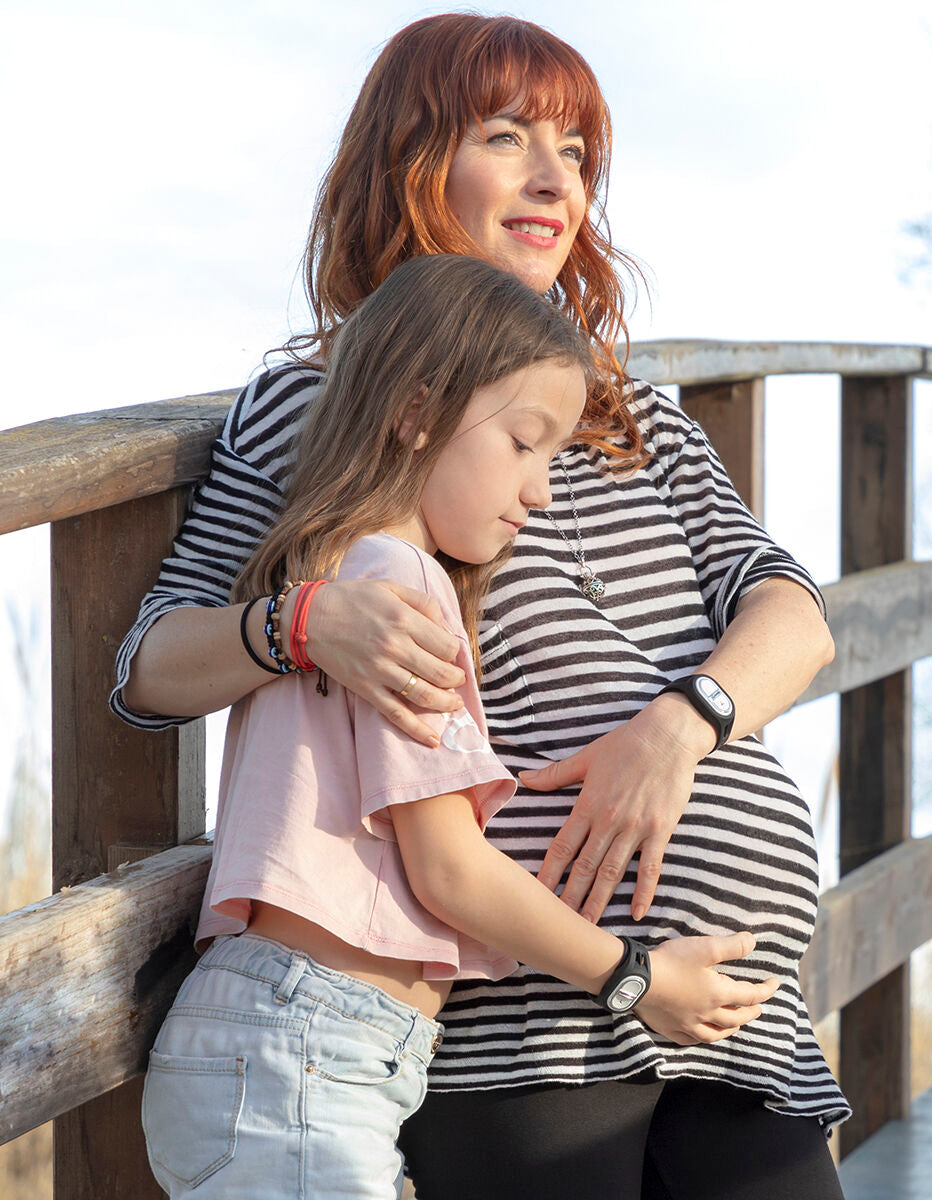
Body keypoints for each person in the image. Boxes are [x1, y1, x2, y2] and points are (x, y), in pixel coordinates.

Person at [115, 13, 849, 1198]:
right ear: (412, 163)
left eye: (576, 150)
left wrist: (680, 728)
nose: (554, 177)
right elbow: (150, 663)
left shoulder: (635, 416)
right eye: (508, 136)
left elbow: (795, 616)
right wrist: (296, 627)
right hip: (528, 1038)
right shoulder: (320, 403)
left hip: (733, 1017)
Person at [140, 253, 775, 1200]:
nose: (544, 491)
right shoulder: (395, 590)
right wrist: (636, 978)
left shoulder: (333, 571)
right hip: (306, 1047)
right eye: (525, 443)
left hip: (296, 1046)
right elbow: (447, 869)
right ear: (418, 410)